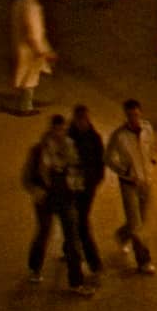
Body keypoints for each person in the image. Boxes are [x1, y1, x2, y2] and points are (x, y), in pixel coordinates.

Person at [24, 118, 93, 289]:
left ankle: (76, 281)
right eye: (56, 130)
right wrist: (36, 191)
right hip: (45, 198)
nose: (59, 134)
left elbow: (77, 169)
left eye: (62, 130)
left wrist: (77, 186)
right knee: (43, 233)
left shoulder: (70, 147)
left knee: (72, 236)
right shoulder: (39, 150)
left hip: (66, 197)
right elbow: (27, 177)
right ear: (51, 130)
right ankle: (35, 267)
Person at [105, 97, 157, 274]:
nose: (134, 118)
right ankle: (144, 261)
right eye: (130, 115)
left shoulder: (147, 129)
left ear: (140, 113)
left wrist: (153, 160)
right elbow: (109, 157)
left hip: (146, 182)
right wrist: (125, 171)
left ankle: (122, 235)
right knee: (137, 226)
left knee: (140, 222)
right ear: (126, 116)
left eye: (136, 114)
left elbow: (154, 145)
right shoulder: (119, 135)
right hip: (129, 184)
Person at [63, 104, 111, 291]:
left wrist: (94, 181)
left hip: (87, 188)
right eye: (80, 119)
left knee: (80, 222)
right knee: (79, 224)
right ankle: (92, 263)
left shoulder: (94, 138)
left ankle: (87, 260)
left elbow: (100, 163)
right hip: (71, 188)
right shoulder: (67, 139)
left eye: (85, 119)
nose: (83, 122)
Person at [5, 0, 54, 113]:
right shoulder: (31, 7)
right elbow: (33, 33)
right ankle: (24, 107)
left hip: (19, 45)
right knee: (29, 79)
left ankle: (23, 104)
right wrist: (42, 51)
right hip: (29, 50)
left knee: (25, 77)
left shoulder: (18, 3)